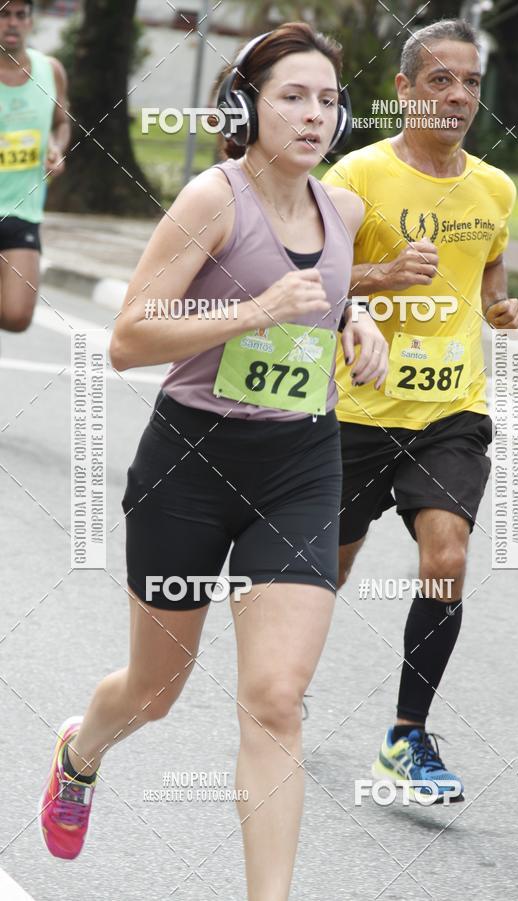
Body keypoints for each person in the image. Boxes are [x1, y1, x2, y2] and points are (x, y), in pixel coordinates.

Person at [39, 22, 387, 900]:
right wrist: (253, 309)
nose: (314, 115)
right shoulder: (211, 200)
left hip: (302, 462)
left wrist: (359, 321)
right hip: (190, 463)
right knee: (156, 692)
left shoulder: (341, 209)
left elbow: (330, 296)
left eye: (328, 100)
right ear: (247, 106)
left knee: (275, 698)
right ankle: (82, 751)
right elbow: (127, 340)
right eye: (293, 97)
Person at [322, 19, 518, 803]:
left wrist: (500, 307)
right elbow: (312, 279)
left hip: (452, 412)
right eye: (440, 80)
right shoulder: (357, 177)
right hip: (357, 411)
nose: (459, 96)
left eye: (471, 82)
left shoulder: (495, 187)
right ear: (404, 90)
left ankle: (406, 738)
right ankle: (278, 686)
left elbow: (490, 269)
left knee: (446, 561)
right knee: (324, 576)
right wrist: (379, 276)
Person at [0, 0, 70, 333]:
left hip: (22, 210)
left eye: (19, 15)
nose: (11, 23)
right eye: (2, 15)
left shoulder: (50, 71)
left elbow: (61, 121)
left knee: (16, 316)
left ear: (30, 21)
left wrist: (56, 146)